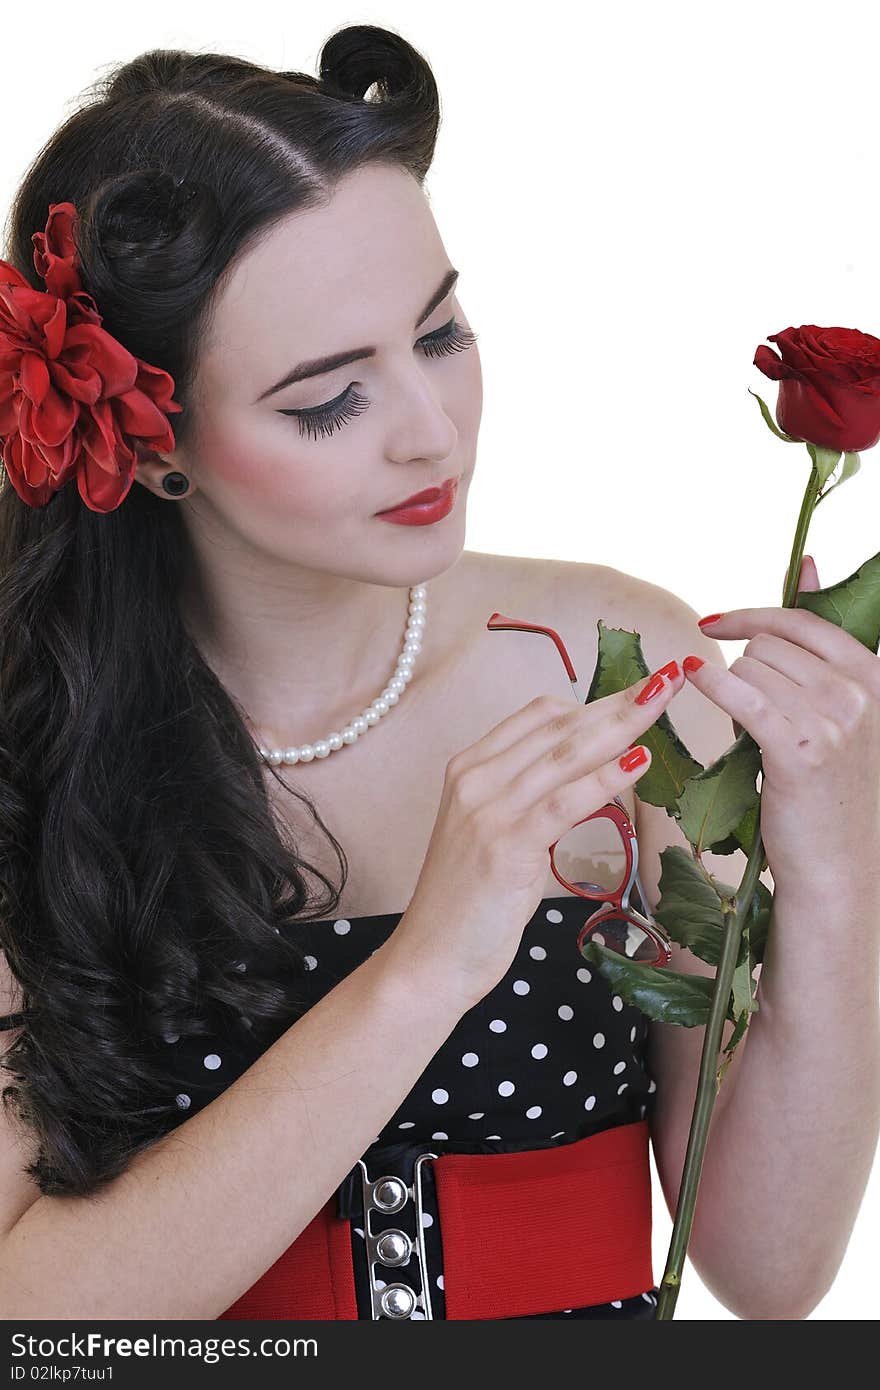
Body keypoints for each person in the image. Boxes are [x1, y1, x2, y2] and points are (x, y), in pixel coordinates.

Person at [0, 28, 877, 1324]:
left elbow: (769, 1268)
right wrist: (431, 966)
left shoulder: (610, 665)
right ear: (151, 438)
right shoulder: (38, 738)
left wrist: (842, 855)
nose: (430, 429)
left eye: (439, 331)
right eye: (325, 400)